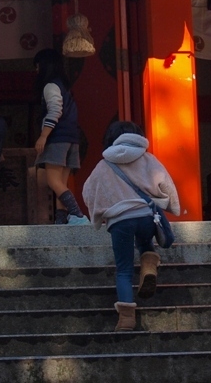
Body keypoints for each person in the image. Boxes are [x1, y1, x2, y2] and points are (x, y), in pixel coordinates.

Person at [82, 120, 180, 332]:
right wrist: (172, 206)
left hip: (120, 221)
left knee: (124, 270)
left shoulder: (104, 164)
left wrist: (100, 214)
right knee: (145, 241)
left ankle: (126, 320)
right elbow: (166, 182)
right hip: (145, 216)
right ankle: (149, 263)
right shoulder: (147, 158)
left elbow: (88, 190)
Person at [33, 48, 89, 225]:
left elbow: (55, 110)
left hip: (57, 138)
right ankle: (61, 220)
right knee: (61, 183)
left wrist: (43, 136)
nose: (36, 70)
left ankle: (78, 215)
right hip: (71, 138)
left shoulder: (50, 86)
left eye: (37, 66)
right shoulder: (65, 87)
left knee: (53, 181)